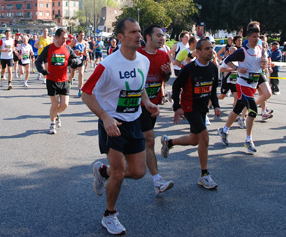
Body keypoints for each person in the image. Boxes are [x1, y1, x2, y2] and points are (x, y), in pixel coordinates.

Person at [82, 18, 159, 235]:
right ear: (120, 37)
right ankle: (110, 215)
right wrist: (105, 118)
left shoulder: (143, 61)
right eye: (132, 32)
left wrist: (147, 102)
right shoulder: (107, 64)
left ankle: (101, 172)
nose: (138, 36)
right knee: (119, 172)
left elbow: (139, 86)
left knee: (137, 172)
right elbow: (86, 93)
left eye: (138, 32)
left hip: (134, 121)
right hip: (113, 123)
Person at [160, 37, 221, 188]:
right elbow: (176, 87)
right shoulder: (189, 69)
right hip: (189, 107)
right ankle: (204, 175)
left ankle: (169, 142)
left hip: (202, 108)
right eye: (207, 48)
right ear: (198, 52)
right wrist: (177, 107)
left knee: (195, 140)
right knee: (204, 138)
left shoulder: (213, 68)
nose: (211, 51)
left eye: (211, 48)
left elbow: (212, 90)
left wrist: (217, 106)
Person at [137, 24, 173, 194]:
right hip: (137, 105)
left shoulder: (164, 55)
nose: (162, 38)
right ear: (148, 37)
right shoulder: (137, 55)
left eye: (163, 35)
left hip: (154, 103)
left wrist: (165, 73)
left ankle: (107, 171)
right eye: (158, 35)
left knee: (140, 142)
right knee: (149, 139)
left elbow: (165, 77)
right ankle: (157, 180)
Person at [217, 27, 266, 154]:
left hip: (253, 85)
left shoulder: (259, 49)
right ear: (248, 38)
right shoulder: (243, 51)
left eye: (258, 37)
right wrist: (237, 69)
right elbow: (227, 60)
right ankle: (248, 140)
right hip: (242, 84)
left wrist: (264, 63)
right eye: (254, 37)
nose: (256, 39)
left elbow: (260, 63)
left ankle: (224, 129)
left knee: (237, 109)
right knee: (253, 110)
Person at [35, 28, 81, 134]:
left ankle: (57, 114)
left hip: (64, 80)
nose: (65, 40)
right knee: (55, 104)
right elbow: (38, 61)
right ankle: (52, 123)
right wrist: (42, 70)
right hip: (51, 80)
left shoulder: (68, 48)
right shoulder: (48, 48)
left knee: (64, 105)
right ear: (56, 37)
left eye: (66, 38)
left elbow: (77, 59)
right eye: (63, 38)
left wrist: (75, 61)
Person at [69, 30, 89, 97]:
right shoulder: (74, 42)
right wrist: (74, 51)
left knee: (81, 74)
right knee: (72, 75)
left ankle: (80, 89)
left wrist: (87, 56)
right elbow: (68, 49)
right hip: (74, 60)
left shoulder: (85, 43)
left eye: (83, 35)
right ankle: (69, 81)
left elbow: (85, 52)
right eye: (81, 35)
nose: (82, 37)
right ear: (78, 35)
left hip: (80, 60)